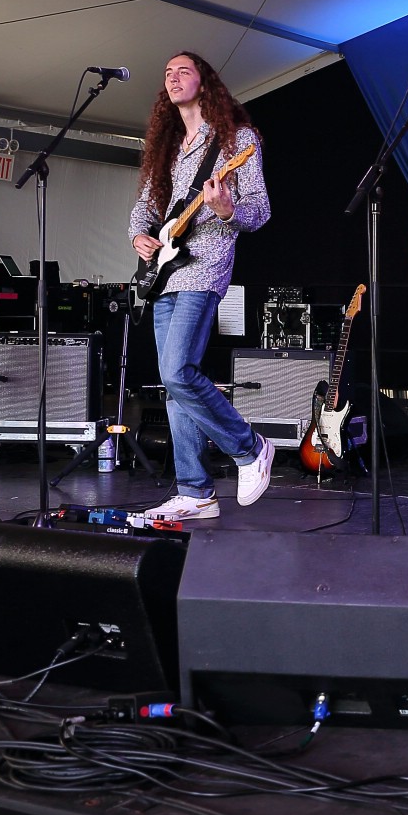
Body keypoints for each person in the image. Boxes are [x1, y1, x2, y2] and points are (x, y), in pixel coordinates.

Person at [127, 52, 274, 522]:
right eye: (167, 73)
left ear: (204, 83)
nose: (173, 78)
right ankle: (195, 492)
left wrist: (228, 210)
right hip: (165, 273)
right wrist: (139, 235)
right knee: (175, 386)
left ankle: (250, 448)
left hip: (205, 267)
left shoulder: (237, 140)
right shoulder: (167, 147)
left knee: (176, 372)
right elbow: (145, 206)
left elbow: (259, 210)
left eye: (183, 71)